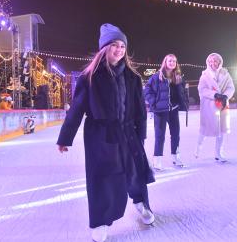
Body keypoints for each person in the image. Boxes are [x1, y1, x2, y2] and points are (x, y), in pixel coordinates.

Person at [56, 24, 155, 242]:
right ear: (104, 48)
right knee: (102, 177)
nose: (119, 50)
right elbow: (77, 109)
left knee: (135, 171)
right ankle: (100, 221)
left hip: (128, 131)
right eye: (114, 45)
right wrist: (65, 138)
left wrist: (142, 134)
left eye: (122, 46)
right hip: (100, 134)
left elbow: (140, 108)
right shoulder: (89, 77)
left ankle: (140, 202)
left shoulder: (133, 77)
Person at [144, 54, 189, 170]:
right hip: (160, 111)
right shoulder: (156, 77)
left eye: (174, 61)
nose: (172, 63)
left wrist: (183, 102)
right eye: (170, 61)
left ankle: (176, 158)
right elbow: (147, 91)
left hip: (173, 110)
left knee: (175, 135)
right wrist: (154, 102)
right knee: (160, 136)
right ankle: (157, 160)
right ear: (165, 62)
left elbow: (183, 92)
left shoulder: (178, 77)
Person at [195, 53, 235, 162]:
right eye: (211, 61)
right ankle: (198, 148)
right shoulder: (205, 75)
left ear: (220, 62)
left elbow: (231, 87)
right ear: (208, 62)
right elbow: (202, 90)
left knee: (221, 130)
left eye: (215, 60)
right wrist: (215, 95)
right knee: (204, 129)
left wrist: (225, 96)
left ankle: (219, 153)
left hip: (222, 105)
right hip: (209, 106)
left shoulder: (226, 74)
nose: (213, 63)